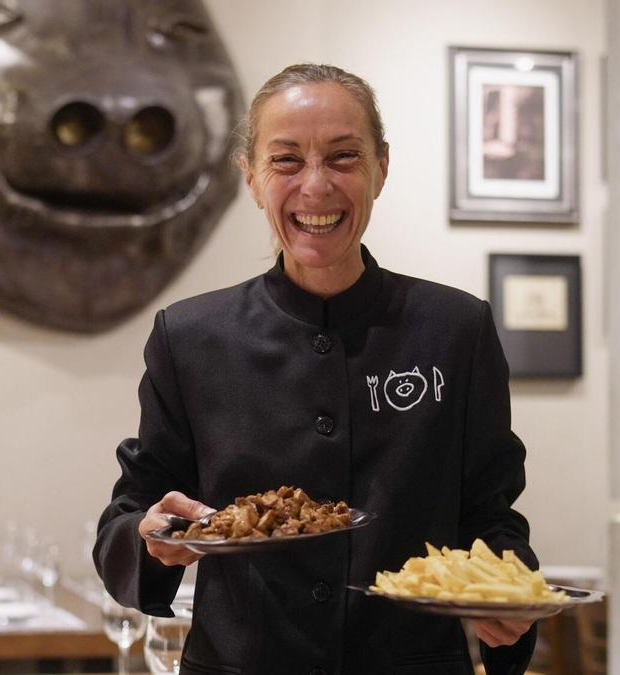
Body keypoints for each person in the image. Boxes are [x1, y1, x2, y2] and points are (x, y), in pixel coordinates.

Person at [94, 63, 539, 675]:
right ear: (249, 177)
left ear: (382, 168)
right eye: (285, 161)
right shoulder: (190, 337)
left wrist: (511, 600)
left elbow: (491, 513)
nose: (316, 186)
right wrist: (149, 537)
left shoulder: (455, 328)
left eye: (344, 157)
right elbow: (132, 511)